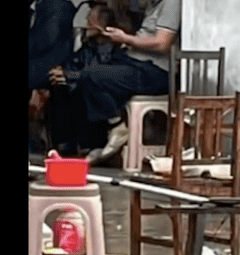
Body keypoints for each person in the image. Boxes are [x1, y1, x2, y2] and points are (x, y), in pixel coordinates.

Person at [51, 0, 181, 162]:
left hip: (156, 71)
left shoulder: (171, 3)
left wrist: (126, 38)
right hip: (135, 62)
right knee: (84, 76)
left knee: (92, 75)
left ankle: (116, 124)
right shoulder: (152, 5)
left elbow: (162, 43)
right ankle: (99, 140)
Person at [29, 0, 76, 92]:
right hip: (50, 70)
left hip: (41, 70)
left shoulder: (54, 6)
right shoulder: (57, 5)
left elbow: (46, 39)